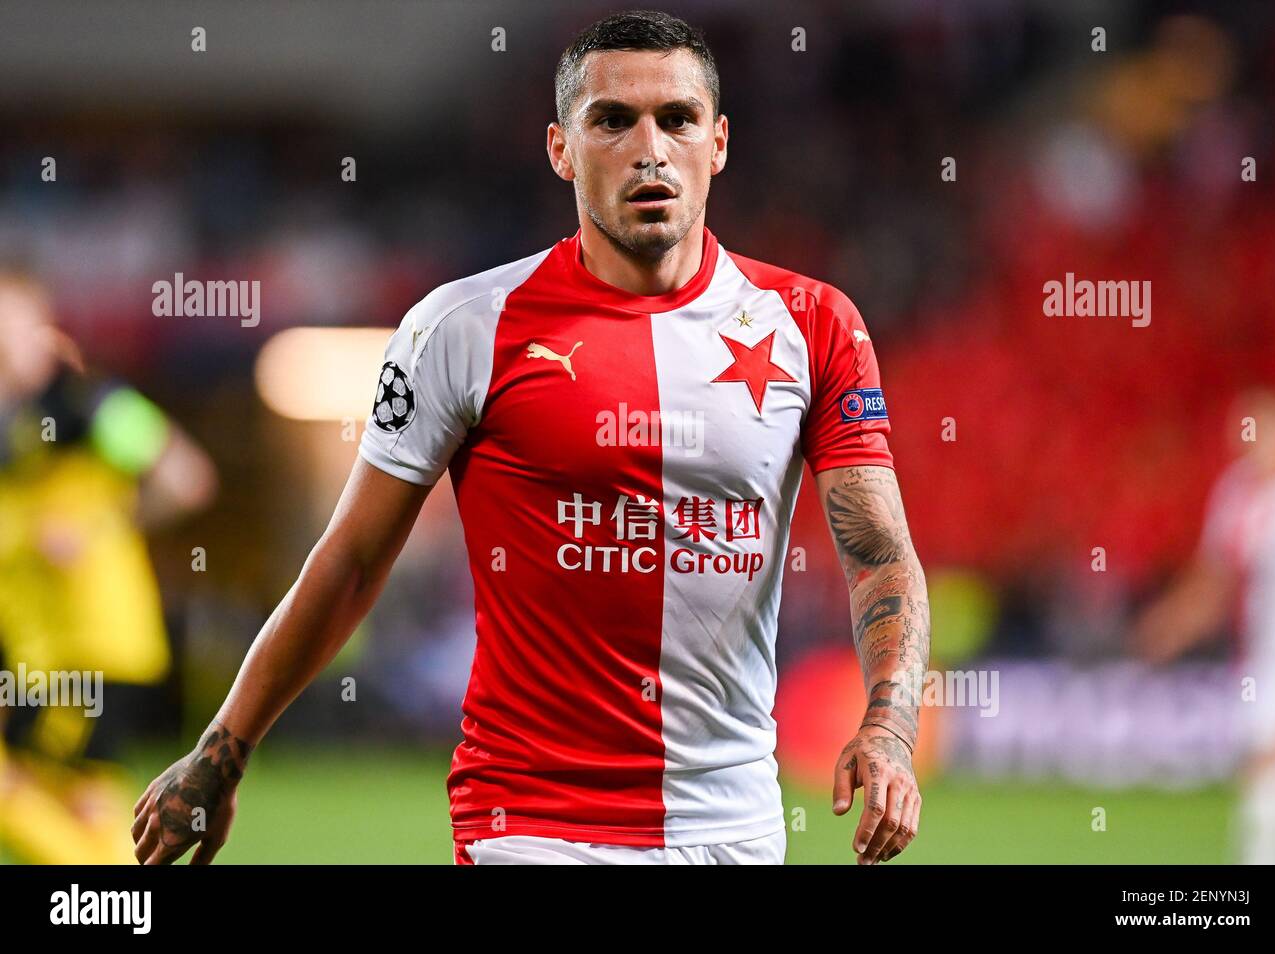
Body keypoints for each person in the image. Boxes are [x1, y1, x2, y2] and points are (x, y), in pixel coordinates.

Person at [132, 9, 930, 866]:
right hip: (532, 826)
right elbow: (352, 559)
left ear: (719, 141)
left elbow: (880, 554)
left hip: (734, 827)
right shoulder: (463, 328)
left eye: (678, 119)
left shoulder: (813, 324)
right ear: (560, 148)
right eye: (613, 120)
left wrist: (889, 727)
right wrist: (225, 749)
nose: (650, 149)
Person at [0, 267, 216, 863]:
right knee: (83, 797)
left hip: (92, 640)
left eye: (10, 323)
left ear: (40, 327)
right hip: (41, 646)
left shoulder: (92, 406)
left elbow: (185, 477)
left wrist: (94, 530)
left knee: (31, 787)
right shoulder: (16, 420)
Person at [1137, 388, 1275, 864]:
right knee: (1268, 767)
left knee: (1273, 765)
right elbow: (1215, 581)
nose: (1249, 438)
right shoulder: (1238, 491)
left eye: (1261, 426)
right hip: (1263, 655)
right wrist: (1165, 630)